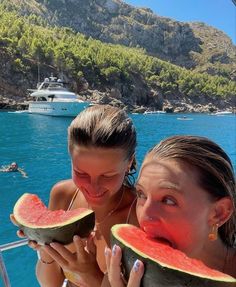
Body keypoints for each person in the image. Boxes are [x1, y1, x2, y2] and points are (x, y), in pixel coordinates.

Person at [11, 104, 138, 287]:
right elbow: (50, 284)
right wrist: (46, 250)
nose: (93, 188)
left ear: (129, 162)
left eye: (108, 175)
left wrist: (91, 276)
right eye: (81, 173)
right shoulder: (63, 195)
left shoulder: (140, 215)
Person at [104, 135, 236, 287]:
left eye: (168, 200)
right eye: (141, 194)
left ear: (219, 213)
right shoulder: (125, 271)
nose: (145, 216)